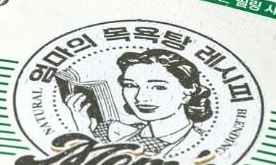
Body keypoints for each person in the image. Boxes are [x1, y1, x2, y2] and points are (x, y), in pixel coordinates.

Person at [64, 48, 212, 158]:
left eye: (158, 87)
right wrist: (82, 127)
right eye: (130, 85)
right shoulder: (110, 132)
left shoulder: (203, 144)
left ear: (188, 92)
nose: (140, 97)